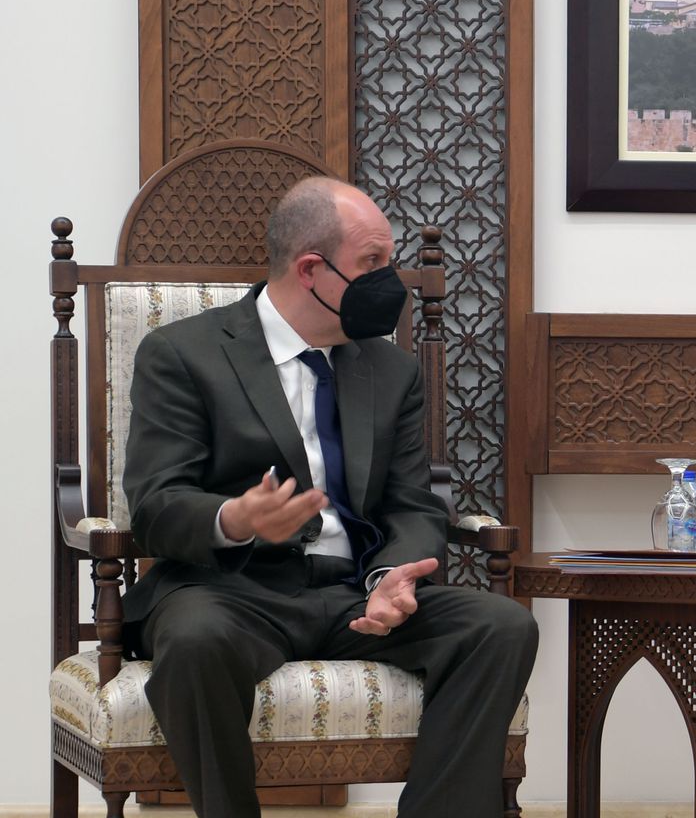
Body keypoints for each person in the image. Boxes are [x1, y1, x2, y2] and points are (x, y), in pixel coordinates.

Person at [122, 177, 537, 818]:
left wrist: (391, 574)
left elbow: (413, 502)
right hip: (232, 593)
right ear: (311, 269)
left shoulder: (389, 368)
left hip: (352, 594)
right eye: (372, 263)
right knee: (194, 642)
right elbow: (154, 505)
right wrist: (233, 517)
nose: (389, 281)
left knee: (501, 626)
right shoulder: (183, 355)